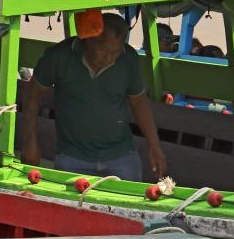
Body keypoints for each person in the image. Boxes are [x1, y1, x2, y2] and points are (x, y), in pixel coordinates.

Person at [21, 12, 166, 181]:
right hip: (72, 157)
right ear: (89, 39)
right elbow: (33, 94)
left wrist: (155, 146)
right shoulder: (59, 56)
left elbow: (139, 101)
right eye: (104, 50)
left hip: (121, 157)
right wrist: (30, 140)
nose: (109, 58)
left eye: (116, 52)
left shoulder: (128, 59)